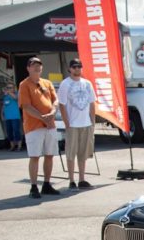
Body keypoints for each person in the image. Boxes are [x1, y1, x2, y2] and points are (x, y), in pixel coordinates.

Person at [18, 57, 60, 198]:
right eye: (34, 65)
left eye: (39, 65)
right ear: (28, 68)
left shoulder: (47, 83)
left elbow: (55, 100)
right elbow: (26, 106)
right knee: (35, 156)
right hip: (34, 126)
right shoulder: (24, 85)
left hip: (50, 125)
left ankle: (47, 184)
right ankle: (34, 186)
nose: (37, 68)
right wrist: (43, 117)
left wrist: (53, 112)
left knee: (50, 154)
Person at [58, 58, 97, 190]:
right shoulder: (65, 84)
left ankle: (82, 178)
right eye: (74, 67)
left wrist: (92, 121)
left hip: (85, 123)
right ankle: (71, 180)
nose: (77, 69)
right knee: (71, 152)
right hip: (73, 124)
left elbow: (92, 103)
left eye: (79, 67)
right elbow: (61, 105)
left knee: (83, 153)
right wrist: (66, 122)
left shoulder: (87, 83)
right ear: (70, 69)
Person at [2, 82, 22, 152]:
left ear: (14, 88)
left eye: (10, 87)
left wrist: (9, 92)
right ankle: (12, 146)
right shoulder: (5, 96)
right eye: (7, 88)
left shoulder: (16, 94)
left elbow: (16, 98)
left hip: (15, 116)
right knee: (9, 131)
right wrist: (2, 113)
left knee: (16, 131)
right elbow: (4, 105)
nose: (9, 89)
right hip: (8, 117)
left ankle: (19, 146)